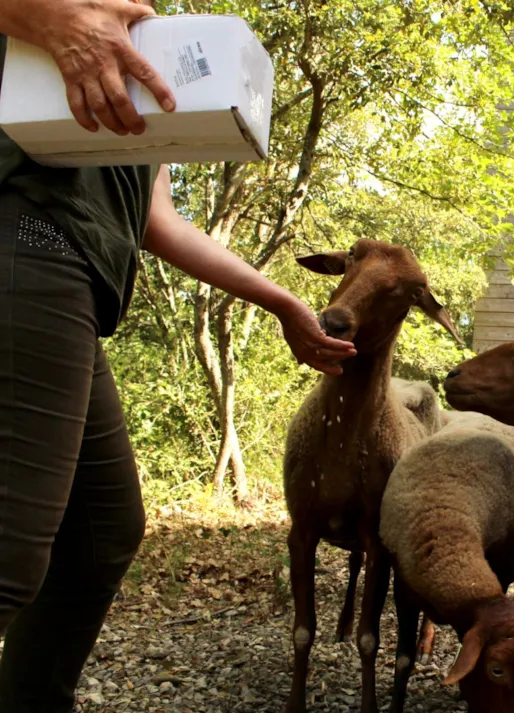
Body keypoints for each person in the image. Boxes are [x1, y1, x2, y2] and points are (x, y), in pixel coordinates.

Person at [0, 1, 357, 710]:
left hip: (71, 275)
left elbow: (158, 219)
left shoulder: (140, 50)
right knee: (8, 555)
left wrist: (282, 299)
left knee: (103, 531)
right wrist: (42, 17)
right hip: (24, 236)